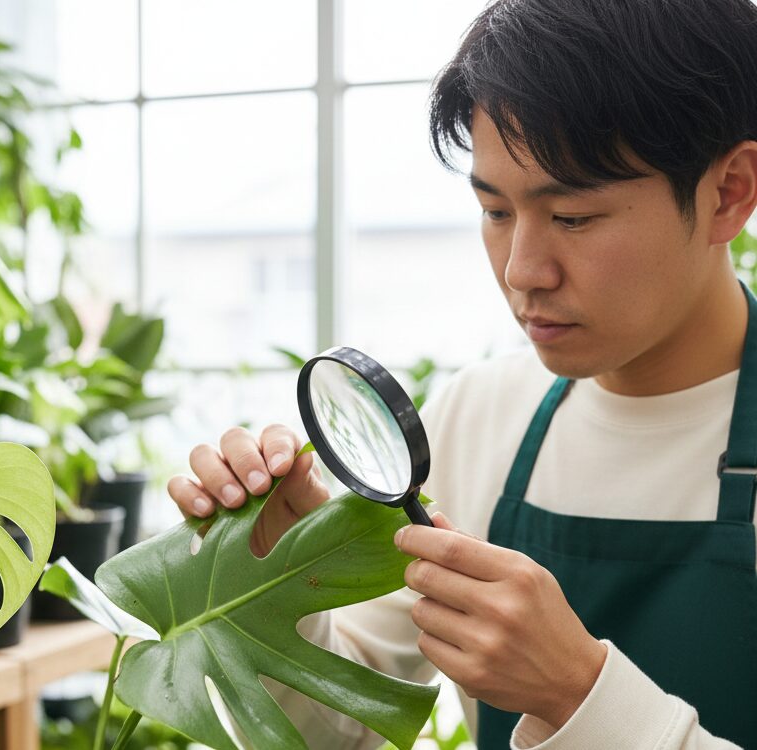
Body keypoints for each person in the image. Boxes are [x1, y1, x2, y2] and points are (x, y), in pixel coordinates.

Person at [167, 0, 757, 747]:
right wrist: (281, 584)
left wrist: (579, 694)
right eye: (495, 210)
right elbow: (346, 731)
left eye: (573, 217)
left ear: (728, 191)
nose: (523, 272)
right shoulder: (480, 412)